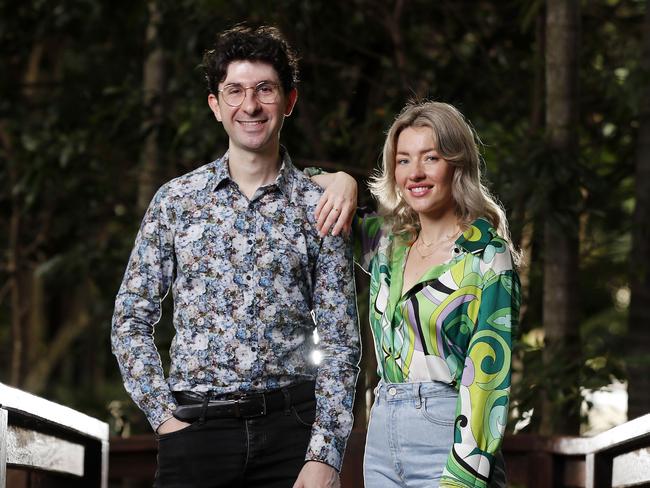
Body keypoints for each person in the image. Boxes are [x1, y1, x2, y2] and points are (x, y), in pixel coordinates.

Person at [111, 25, 360, 488]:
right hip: (196, 434)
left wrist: (326, 452)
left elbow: (342, 341)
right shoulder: (177, 201)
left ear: (288, 101)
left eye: (265, 89)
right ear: (216, 106)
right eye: (235, 91)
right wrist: (165, 418)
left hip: (293, 435)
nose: (250, 105)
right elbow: (130, 317)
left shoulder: (318, 206)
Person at [311, 101, 519, 487]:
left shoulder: (487, 256)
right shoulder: (387, 244)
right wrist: (343, 179)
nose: (416, 173)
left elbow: (488, 383)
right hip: (382, 435)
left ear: (456, 163)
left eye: (431, 158)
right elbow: (303, 187)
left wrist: (462, 478)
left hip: (447, 437)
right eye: (403, 160)